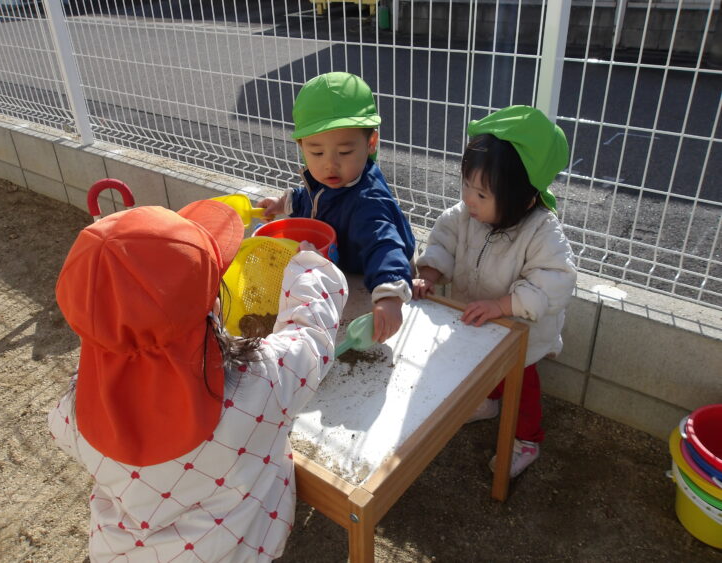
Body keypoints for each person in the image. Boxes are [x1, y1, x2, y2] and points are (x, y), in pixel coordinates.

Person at [47, 199, 347, 561]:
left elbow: (63, 431)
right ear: (216, 306)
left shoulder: (72, 414)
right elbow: (312, 337)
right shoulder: (260, 383)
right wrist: (310, 269)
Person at [412, 105, 577, 478]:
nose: (469, 199)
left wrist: (504, 305)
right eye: (467, 185)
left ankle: (527, 439)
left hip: (521, 334)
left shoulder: (541, 231)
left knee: (520, 386)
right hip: (477, 318)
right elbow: (444, 241)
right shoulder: (465, 215)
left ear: (525, 199)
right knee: (477, 368)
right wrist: (429, 274)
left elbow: (555, 281)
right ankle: (486, 403)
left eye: (482, 194)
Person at [258, 71, 416, 344]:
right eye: (317, 152)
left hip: (378, 274)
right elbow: (311, 199)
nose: (330, 164)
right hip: (347, 264)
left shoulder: (368, 201)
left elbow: (384, 245)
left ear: (370, 143)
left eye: (344, 152)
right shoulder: (326, 181)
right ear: (301, 146)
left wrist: (390, 297)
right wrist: (282, 203)